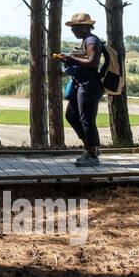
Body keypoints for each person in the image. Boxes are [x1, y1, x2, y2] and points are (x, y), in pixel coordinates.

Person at [54, 12, 103, 167]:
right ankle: (90, 147)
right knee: (71, 115)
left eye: (75, 27)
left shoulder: (92, 40)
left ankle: (93, 155)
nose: (72, 30)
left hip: (89, 85)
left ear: (84, 27)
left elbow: (93, 62)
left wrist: (70, 58)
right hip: (81, 84)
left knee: (86, 119)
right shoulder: (86, 41)